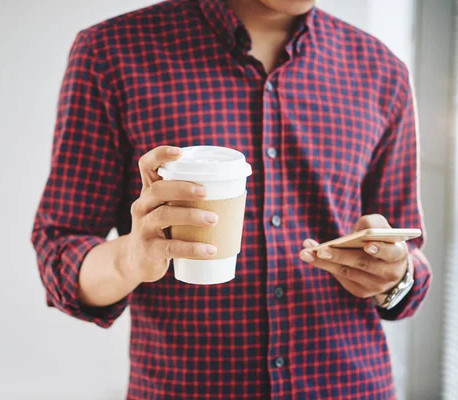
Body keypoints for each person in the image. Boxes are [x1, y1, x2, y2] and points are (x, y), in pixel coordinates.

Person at [31, 0, 432, 398]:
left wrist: (394, 277)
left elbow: (407, 254)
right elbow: (61, 249)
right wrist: (132, 257)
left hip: (351, 386)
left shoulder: (382, 70)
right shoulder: (111, 53)